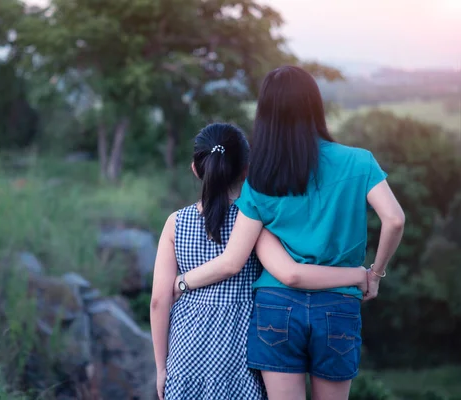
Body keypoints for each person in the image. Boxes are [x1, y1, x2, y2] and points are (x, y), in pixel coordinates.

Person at [172, 66, 405, 400]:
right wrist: (375, 273)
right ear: (314, 105)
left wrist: (181, 282)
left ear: (266, 115)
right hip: (338, 304)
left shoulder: (261, 180)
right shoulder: (359, 162)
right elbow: (395, 220)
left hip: (277, 308)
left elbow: (232, 261)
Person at [150, 122, 372, 400]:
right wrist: (359, 275)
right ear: (247, 170)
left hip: (186, 352)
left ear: (196, 170)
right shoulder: (255, 223)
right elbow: (291, 273)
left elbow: (159, 301)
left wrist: (162, 367)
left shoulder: (175, 223)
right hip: (239, 351)